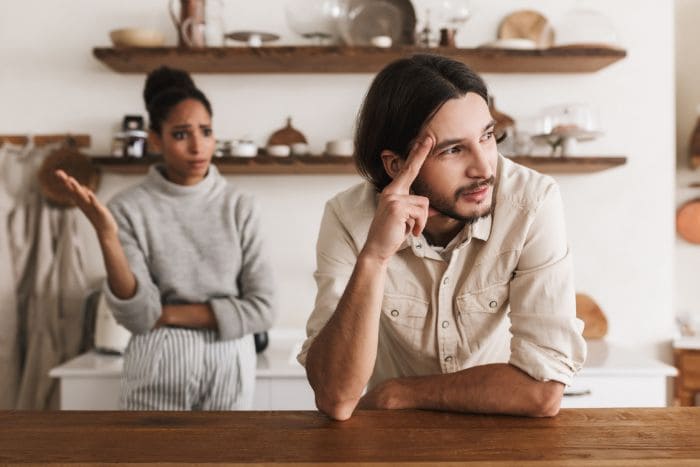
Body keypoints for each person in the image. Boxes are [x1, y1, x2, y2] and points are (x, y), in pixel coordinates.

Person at [297, 54, 586, 421]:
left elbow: (542, 392)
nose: (484, 168)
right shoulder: (347, 217)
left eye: (487, 137)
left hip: (499, 432)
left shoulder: (531, 201)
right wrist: (375, 257)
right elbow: (336, 398)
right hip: (391, 444)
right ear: (397, 166)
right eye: (452, 150)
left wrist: (400, 393)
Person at [57, 66, 275, 410]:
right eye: (180, 134)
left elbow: (263, 309)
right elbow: (139, 316)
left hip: (230, 365)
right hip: (156, 365)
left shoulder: (240, 206)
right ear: (155, 139)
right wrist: (107, 235)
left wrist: (168, 315)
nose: (197, 146)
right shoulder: (128, 208)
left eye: (206, 131)